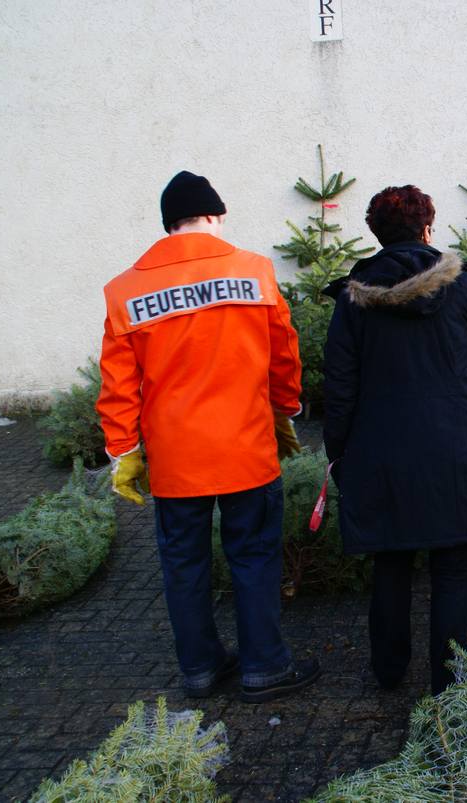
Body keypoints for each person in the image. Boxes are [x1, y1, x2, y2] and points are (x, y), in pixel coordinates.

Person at [97, 170, 319, 703]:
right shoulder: (255, 272)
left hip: (176, 459)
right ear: (216, 217)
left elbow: (118, 384)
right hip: (247, 448)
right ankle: (264, 667)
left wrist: (123, 451)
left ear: (169, 225)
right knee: (254, 556)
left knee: (184, 565)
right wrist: (284, 410)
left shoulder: (125, 291)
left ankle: (199, 668)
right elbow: (283, 353)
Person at [322, 185, 467, 695]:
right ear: (427, 229)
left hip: (380, 452)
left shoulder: (354, 298)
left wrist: (338, 455)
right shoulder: (463, 287)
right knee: (453, 570)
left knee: (390, 562)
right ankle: (448, 687)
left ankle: (389, 671)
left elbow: (338, 388)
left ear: (378, 234)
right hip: (457, 449)